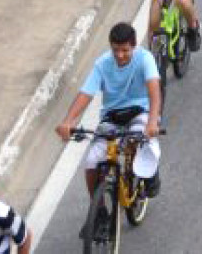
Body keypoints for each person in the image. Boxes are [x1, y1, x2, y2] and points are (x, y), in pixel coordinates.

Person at [55, 22, 163, 199]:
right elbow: (85, 94)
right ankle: (97, 212)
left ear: (134, 46)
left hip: (140, 111)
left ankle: (150, 173)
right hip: (112, 116)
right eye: (115, 50)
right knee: (91, 162)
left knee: (141, 141)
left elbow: (154, 92)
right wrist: (68, 121)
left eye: (125, 50)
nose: (120, 56)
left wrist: (152, 122)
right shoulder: (102, 64)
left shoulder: (145, 59)